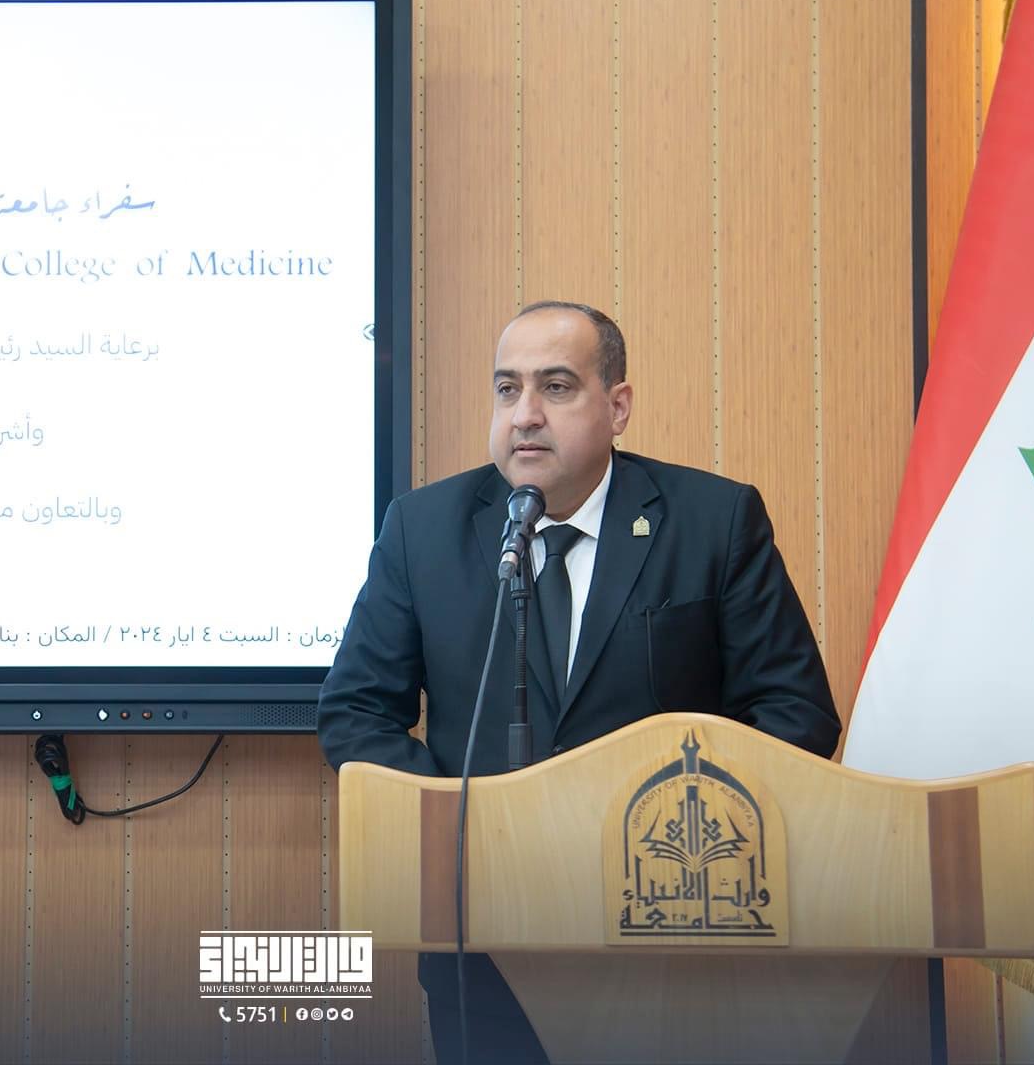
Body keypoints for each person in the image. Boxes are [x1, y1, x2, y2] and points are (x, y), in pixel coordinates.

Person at [317, 300, 840, 1064]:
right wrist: (464, 825)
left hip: (672, 931)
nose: (525, 414)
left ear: (617, 407)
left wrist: (676, 831)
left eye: (555, 387)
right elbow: (355, 712)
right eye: (507, 389)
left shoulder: (713, 520)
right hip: (485, 937)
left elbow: (795, 712)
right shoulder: (423, 529)